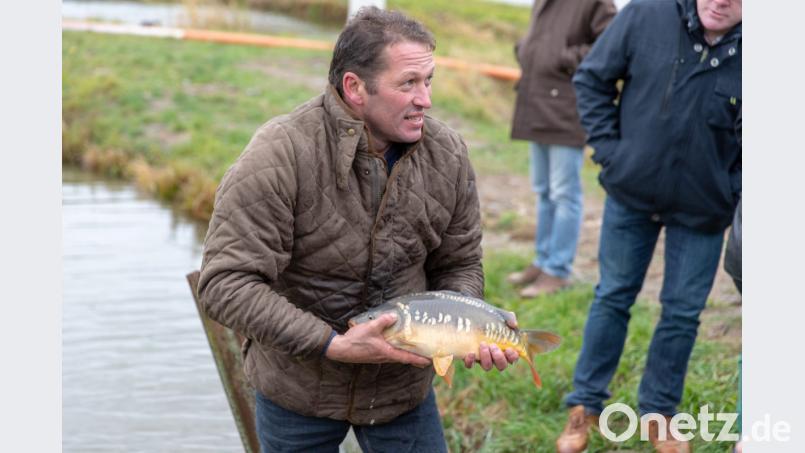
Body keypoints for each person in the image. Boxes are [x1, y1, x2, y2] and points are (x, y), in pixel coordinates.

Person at [197, 7, 518, 453]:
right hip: (298, 390)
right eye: (408, 83)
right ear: (355, 88)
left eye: (428, 81)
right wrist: (330, 344)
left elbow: (459, 263)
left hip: (401, 394)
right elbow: (224, 284)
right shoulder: (280, 153)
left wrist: (466, 320)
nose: (425, 98)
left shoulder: (449, 154)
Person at [555, 0, 742, 452]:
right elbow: (592, 79)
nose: (722, 1)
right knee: (612, 296)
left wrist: (731, 185)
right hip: (631, 193)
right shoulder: (646, 14)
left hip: (704, 208)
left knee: (681, 313)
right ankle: (585, 406)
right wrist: (612, 156)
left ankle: (659, 413)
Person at [507, 0, 617, 298]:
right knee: (543, 189)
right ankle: (543, 261)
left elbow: (611, 41)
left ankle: (558, 270)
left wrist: (562, 57)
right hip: (537, 102)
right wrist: (527, 48)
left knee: (564, 192)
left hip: (566, 107)